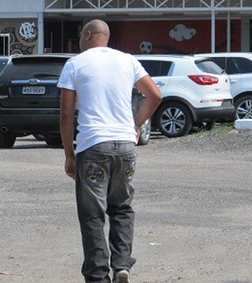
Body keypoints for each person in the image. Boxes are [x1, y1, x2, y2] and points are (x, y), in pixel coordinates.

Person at [57, 19, 162, 283]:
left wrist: (69, 153)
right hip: (126, 145)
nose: (80, 41)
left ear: (89, 34)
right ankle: (122, 264)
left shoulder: (75, 64)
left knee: (92, 214)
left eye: (81, 35)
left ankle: (97, 276)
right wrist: (136, 125)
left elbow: (67, 112)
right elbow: (155, 95)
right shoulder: (128, 60)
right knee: (122, 207)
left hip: (93, 146)